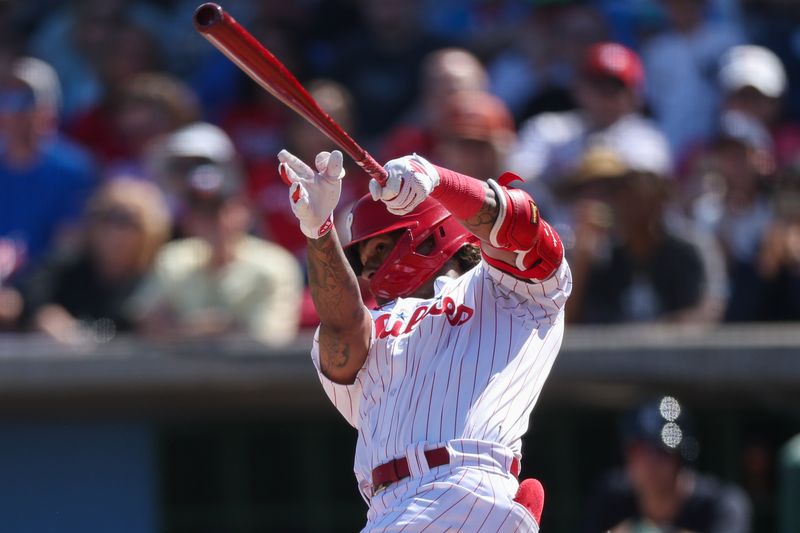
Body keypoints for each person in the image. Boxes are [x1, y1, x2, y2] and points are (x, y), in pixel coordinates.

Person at [277, 146, 571, 530]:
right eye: (364, 260)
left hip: (463, 484)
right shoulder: (371, 324)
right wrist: (319, 231)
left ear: (432, 231)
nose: (370, 269)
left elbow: (520, 228)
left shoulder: (501, 289)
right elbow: (342, 332)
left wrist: (436, 178)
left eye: (380, 247)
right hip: (388, 506)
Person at [131, 129, 303, 346]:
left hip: (251, 379)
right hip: (181, 378)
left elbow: (271, 340)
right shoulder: (172, 258)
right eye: (201, 209)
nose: (213, 219)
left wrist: (182, 329)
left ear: (244, 211)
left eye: (220, 207)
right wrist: (223, 326)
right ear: (189, 218)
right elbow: (147, 324)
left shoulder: (274, 264)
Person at [20, 178, 170, 345]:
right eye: (106, 216)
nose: (115, 231)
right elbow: (28, 295)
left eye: (127, 220)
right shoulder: (66, 268)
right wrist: (45, 314)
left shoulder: (160, 278)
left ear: (150, 230)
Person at [583, 396, 752, 533]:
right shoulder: (611, 497)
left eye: (660, 452)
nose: (648, 463)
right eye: (638, 451)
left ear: (681, 457)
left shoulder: (723, 504)